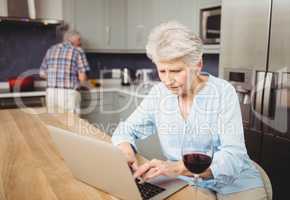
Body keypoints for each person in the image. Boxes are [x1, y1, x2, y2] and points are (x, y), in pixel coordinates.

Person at [111, 21, 267, 200]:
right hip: (187, 182)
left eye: (176, 71)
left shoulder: (223, 92)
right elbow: (126, 129)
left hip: (236, 184)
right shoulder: (159, 94)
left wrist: (176, 167)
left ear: (198, 65)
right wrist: (126, 152)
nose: (168, 80)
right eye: (162, 71)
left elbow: (234, 156)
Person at [40, 30, 90, 113]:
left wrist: (56, 79)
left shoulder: (51, 49)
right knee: (71, 124)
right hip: (68, 94)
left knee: (54, 123)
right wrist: (86, 85)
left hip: (51, 93)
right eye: (79, 40)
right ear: (72, 39)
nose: (80, 42)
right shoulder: (78, 51)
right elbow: (82, 78)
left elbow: (42, 73)